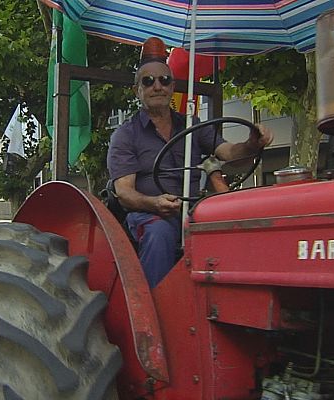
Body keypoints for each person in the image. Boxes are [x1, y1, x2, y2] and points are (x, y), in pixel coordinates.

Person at [107, 37, 273, 288]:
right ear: (137, 90)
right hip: (147, 215)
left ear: (173, 86)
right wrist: (155, 203)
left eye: (164, 80)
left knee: (235, 223)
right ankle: (154, 311)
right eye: (148, 81)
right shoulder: (126, 134)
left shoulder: (192, 125)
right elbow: (125, 192)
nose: (157, 86)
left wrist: (252, 143)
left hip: (194, 211)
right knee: (159, 232)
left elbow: (227, 152)